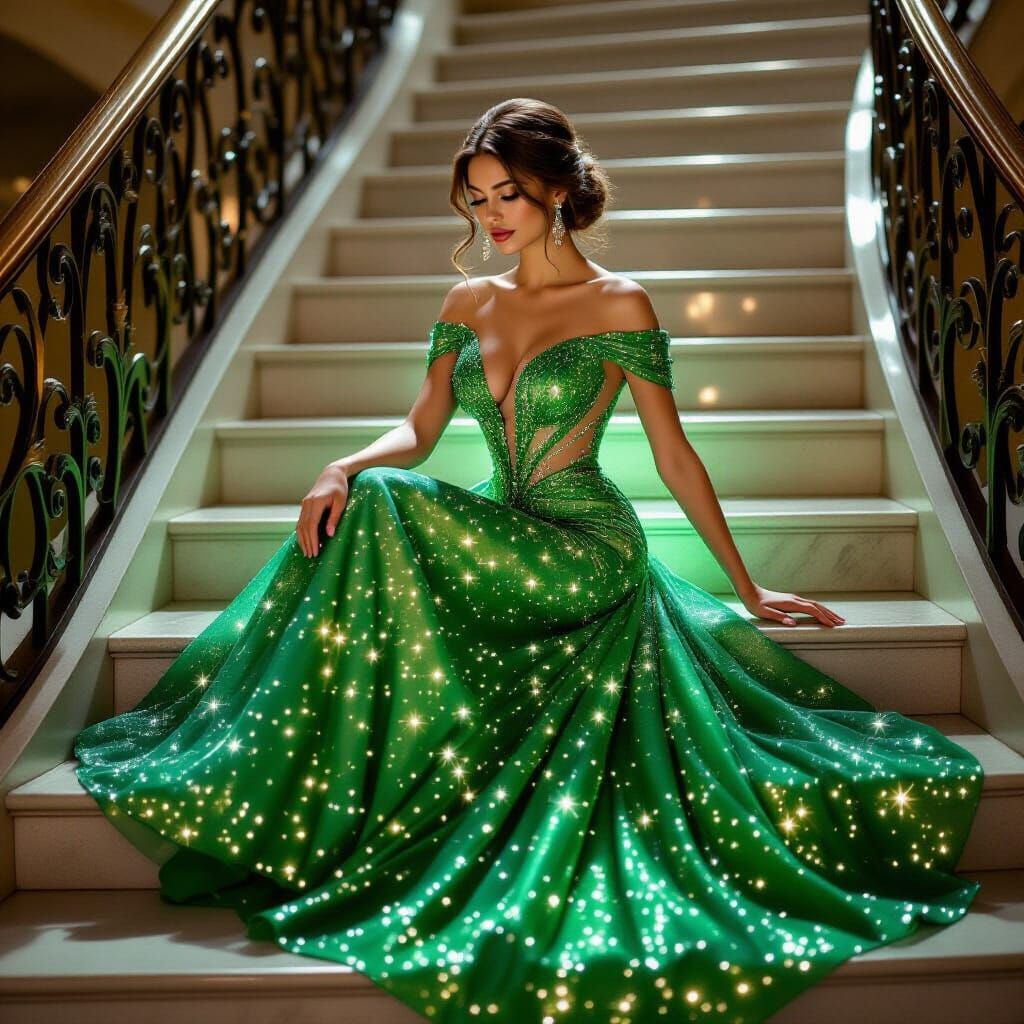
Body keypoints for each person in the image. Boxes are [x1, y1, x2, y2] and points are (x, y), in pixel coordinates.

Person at [75, 98, 984, 1023]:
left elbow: (674, 455)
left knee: (385, 510)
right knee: (370, 499)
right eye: (475, 200)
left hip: (589, 544)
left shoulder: (619, 301)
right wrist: (340, 462)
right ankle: (328, 776)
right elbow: (422, 430)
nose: (491, 217)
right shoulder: (467, 300)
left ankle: (323, 772)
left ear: (557, 188)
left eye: (508, 194)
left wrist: (746, 586)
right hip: (507, 532)